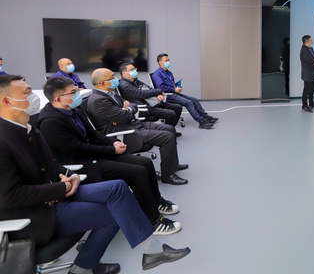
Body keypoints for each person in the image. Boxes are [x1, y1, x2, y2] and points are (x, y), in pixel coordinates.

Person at [0, 75, 191, 274]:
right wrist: (61, 187)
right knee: (115, 212)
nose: (33, 96)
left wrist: (68, 175)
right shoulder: (5, 139)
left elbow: (52, 163)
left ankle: (152, 251)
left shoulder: (28, 129)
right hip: (35, 214)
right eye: (27, 92)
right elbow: (11, 196)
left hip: (54, 194)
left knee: (118, 187)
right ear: (7, 101)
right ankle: (85, 267)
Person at [38, 76, 182, 236]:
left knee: (145, 163)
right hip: (82, 164)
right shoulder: (50, 122)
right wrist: (111, 151)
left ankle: (156, 202)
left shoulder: (74, 111)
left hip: (95, 155)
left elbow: (95, 135)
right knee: (137, 173)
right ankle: (152, 221)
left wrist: (113, 142)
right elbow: (78, 150)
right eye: (73, 92)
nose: (78, 94)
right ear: (58, 98)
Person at [87, 68, 189, 185]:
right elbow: (123, 116)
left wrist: (126, 109)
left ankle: (172, 165)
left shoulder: (111, 92)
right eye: (112, 77)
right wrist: (125, 111)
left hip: (133, 124)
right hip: (124, 131)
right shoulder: (98, 100)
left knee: (170, 129)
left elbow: (131, 105)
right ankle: (167, 175)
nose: (115, 79)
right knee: (167, 137)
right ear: (102, 83)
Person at [151, 53, 217, 129]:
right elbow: (160, 87)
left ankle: (205, 117)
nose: (168, 62)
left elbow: (171, 84)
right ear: (160, 62)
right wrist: (174, 89)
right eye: (166, 60)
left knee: (194, 100)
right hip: (167, 95)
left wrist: (177, 87)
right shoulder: (157, 74)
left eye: (168, 60)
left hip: (173, 93)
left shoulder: (169, 73)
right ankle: (201, 122)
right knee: (188, 102)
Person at [118, 63, 183, 128]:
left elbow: (148, 88)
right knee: (171, 114)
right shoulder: (124, 85)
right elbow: (142, 94)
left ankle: (170, 129)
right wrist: (159, 91)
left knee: (178, 107)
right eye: (132, 70)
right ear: (124, 73)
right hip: (144, 107)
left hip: (150, 102)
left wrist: (157, 94)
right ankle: (168, 130)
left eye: (134, 69)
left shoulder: (135, 80)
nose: (134, 71)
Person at [299, 35, 314, 113]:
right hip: (308, 74)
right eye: (311, 40)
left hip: (312, 73)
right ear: (307, 42)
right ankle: (304, 106)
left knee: (312, 88)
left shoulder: (310, 49)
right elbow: (309, 61)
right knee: (306, 90)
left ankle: (311, 103)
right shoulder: (304, 51)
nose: (312, 41)